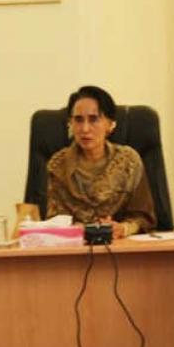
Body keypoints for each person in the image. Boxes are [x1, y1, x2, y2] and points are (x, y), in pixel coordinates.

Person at [46, 86, 156, 238]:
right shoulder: (58, 165)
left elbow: (144, 218)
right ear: (70, 124)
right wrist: (76, 229)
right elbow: (53, 221)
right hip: (73, 250)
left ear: (110, 124)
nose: (85, 129)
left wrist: (123, 228)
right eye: (78, 120)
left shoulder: (128, 161)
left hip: (121, 249)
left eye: (94, 119)